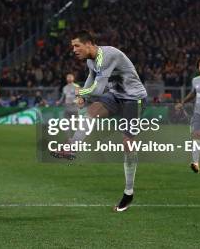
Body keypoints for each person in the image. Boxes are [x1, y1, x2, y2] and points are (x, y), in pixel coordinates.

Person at [58, 30, 148, 212]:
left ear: (89, 43)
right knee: (92, 110)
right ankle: (72, 146)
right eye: (72, 46)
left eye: (77, 45)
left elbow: (98, 89)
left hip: (134, 98)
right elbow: (91, 79)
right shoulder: (92, 60)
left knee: (128, 143)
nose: (74, 50)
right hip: (116, 95)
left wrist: (80, 93)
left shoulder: (107, 55)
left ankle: (128, 193)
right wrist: (85, 97)